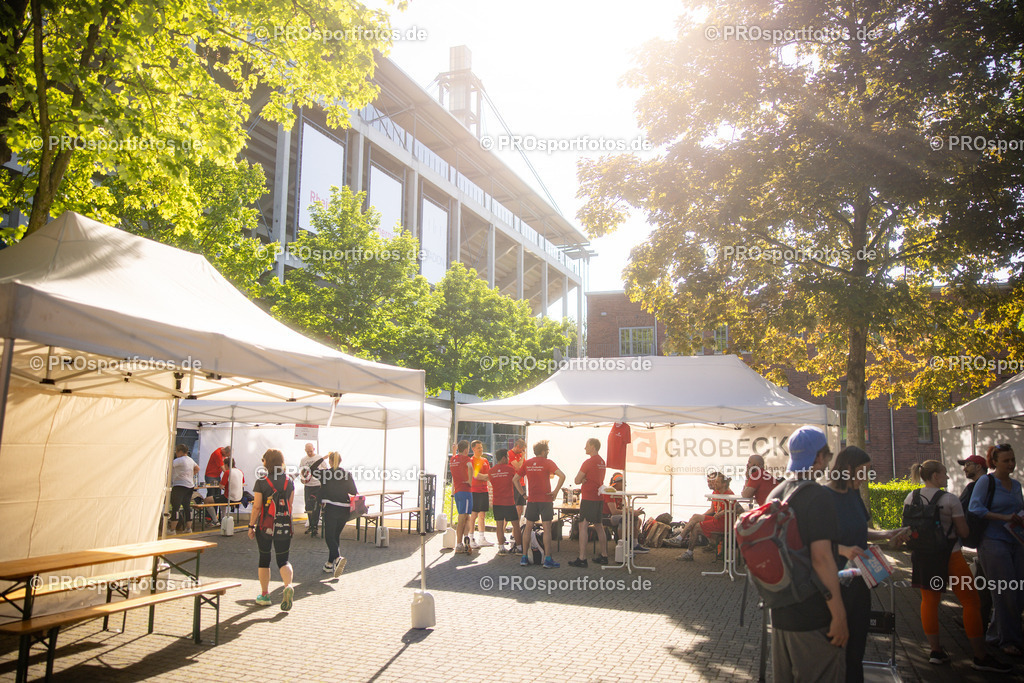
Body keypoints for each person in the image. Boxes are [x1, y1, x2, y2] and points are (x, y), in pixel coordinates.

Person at [903, 459, 1010, 672]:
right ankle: (980, 655)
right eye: (944, 473)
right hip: (950, 556)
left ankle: (935, 651)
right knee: (971, 602)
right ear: (935, 476)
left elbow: (907, 527)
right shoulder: (949, 499)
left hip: (923, 557)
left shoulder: (911, 496)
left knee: (929, 602)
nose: (948, 476)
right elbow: (964, 532)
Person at [768, 425, 847, 683]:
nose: (828, 461)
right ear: (818, 458)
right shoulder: (818, 496)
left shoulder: (776, 493)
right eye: (828, 454)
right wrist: (839, 615)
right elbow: (821, 559)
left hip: (780, 613)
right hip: (813, 616)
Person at [826, 448, 908, 682]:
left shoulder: (855, 495)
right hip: (835, 584)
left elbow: (862, 531)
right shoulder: (826, 497)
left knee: (857, 647)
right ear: (847, 469)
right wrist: (841, 550)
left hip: (860, 582)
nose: (866, 476)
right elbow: (812, 541)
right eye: (863, 471)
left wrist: (888, 533)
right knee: (836, 647)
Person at [969, 444, 1024, 656]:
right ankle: (1009, 640)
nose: (1011, 464)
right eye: (1006, 461)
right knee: (1005, 591)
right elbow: (975, 508)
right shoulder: (986, 481)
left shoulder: (1017, 484)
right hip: (992, 541)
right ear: (995, 462)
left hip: (1015, 540)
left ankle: (995, 634)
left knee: (1017, 590)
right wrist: (1004, 518)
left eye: (1012, 460)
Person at [248, 449, 296, 610]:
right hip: (284, 526)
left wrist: (250, 526)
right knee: (283, 560)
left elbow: (256, 506)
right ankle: (288, 586)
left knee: (264, 559)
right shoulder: (289, 481)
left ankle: (265, 595)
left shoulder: (262, 481)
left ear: (266, 463)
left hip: (265, 526)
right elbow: (290, 504)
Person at [515, 440, 566, 568]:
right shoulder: (548, 462)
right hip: (546, 500)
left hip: (532, 499)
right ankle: (547, 559)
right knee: (547, 528)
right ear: (543, 451)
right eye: (547, 451)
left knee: (528, 528)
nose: (548, 453)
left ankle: (524, 557)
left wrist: (523, 494)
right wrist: (555, 491)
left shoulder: (527, 463)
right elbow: (562, 476)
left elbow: (515, 479)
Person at [958, 453, 992, 630]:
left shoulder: (974, 487)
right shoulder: (993, 485)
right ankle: (980, 618)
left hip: (984, 540)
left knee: (983, 582)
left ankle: (979, 621)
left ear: (979, 466)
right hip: (987, 540)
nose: (964, 468)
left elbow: (960, 508)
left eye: (968, 464)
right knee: (983, 579)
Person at [677, 471, 734, 561]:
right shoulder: (718, 492)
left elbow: (734, 508)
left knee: (696, 527)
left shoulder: (729, 494)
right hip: (718, 520)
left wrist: (721, 513)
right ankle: (679, 538)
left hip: (723, 523)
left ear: (723, 484)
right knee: (695, 517)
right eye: (711, 482)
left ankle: (689, 552)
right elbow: (715, 509)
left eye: (716, 482)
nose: (713, 483)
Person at [316, 451, 356, 577]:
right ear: (340, 461)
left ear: (330, 461)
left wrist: (322, 458)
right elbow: (353, 491)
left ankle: (338, 558)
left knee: (329, 537)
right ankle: (329, 564)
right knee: (335, 536)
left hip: (331, 508)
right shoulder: (347, 474)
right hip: (344, 509)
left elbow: (311, 469)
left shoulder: (325, 473)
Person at [570, 438, 608, 567]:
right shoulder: (602, 462)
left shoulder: (588, 462)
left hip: (589, 497)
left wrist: (583, 479)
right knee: (599, 525)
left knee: (583, 526)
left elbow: (576, 480)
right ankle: (604, 555)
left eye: (586, 446)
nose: (584, 448)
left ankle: (582, 558)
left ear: (592, 446)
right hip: (598, 497)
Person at [484, 449, 523, 554]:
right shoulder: (510, 469)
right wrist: (523, 494)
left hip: (497, 503)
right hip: (509, 502)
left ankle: (501, 548)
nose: (509, 459)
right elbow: (516, 481)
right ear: (504, 458)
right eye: (508, 457)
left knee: (499, 526)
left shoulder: (491, 471)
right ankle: (519, 548)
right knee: (516, 525)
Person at [203, 456, 244, 524]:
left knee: (207, 500)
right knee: (221, 499)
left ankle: (215, 521)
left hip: (230, 498)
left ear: (226, 464)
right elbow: (242, 483)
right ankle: (223, 519)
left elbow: (221, 486)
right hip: (239, 497)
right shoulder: (240, 471)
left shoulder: (227, 472)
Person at [450, 440, 474, 554]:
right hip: (465, 491)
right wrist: (470, 480)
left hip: (458, 491)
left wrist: (453, 451)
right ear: (466, 450)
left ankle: (465, 538)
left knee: (466, 516)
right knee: (463, 517)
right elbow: (470, 467)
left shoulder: (453, 459)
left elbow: (455, 456)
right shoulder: (466, 459)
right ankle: (459, 543)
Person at [169, 444, 199, 534]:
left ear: (180, 451)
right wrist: (190, 475)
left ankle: (172, 529)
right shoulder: (191, 460)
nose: (176, 453)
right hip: (190, 485)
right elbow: (197, 468)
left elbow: (168, 466)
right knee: (187, 506)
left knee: (176, 507)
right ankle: (188, 528)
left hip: (179, 485)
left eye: (177, 451)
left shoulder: (179, 460)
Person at [469, 440, 493, 547]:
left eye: (481, 447)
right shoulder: (471, 461)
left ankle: (482, 538)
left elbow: (489, 474)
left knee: (482, 515)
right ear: (473, 449)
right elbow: (476, 476)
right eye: (478, 448)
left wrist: (485, 476)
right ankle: (470, 538)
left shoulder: (485, 460)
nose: (481, 449)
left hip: (484, 490)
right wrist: (485, 476)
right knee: (474, 514)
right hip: (475, 490)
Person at [299, 442, 325, 538]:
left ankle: (315, 526)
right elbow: (302, 471)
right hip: (308, 485)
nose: (309, 453)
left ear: (314, 449)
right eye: (308, 451)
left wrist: (322, 479)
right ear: (305, 450)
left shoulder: (319, 457)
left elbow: (325, 468)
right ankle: (311, 525)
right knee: (308, 506)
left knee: (316, 506)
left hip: (317, 485)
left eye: (311, 451)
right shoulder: (303, 459)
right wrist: (302, 478)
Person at [508, 438, 528, 518]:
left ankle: (516, 528)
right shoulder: (510, 454)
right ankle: (505, 526)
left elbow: (525, 467)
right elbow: (518, 468)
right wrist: (523, 456)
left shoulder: (520, 455)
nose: (522, 452)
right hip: (514, 484)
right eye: (522, 450)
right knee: (512, 506)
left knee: (520, 508)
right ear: (517, 446)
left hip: (522, 483)